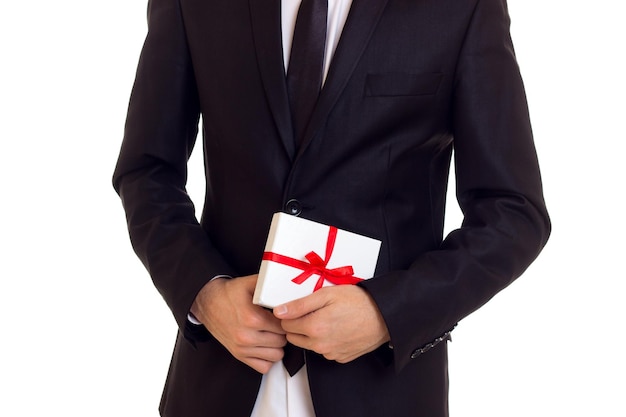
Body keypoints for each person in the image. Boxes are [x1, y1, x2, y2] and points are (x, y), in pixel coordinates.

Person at [113, 0, 550, 415]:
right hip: (220, 383)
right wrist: (205, 294)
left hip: (383, 390)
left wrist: (387, 313)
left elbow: (513, 212)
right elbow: (147, 170)